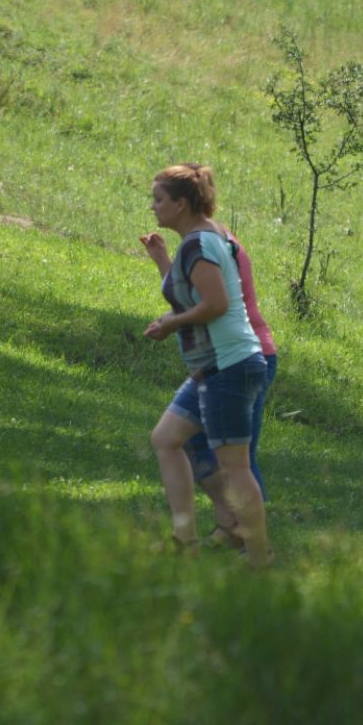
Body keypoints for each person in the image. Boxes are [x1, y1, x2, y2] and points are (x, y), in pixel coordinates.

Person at [141, 163, 272, 567]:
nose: (153, 206)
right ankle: (185, 540)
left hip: (229, 366)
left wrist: (171, 324)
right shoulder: (203, 239)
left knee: (235, 468)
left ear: (181, 204)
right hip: (216, 367)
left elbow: (216, 304)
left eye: (159, 199)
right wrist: (163, 265)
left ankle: (259, 559)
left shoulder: (199, 244)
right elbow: (192, 296)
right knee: (166, 438)